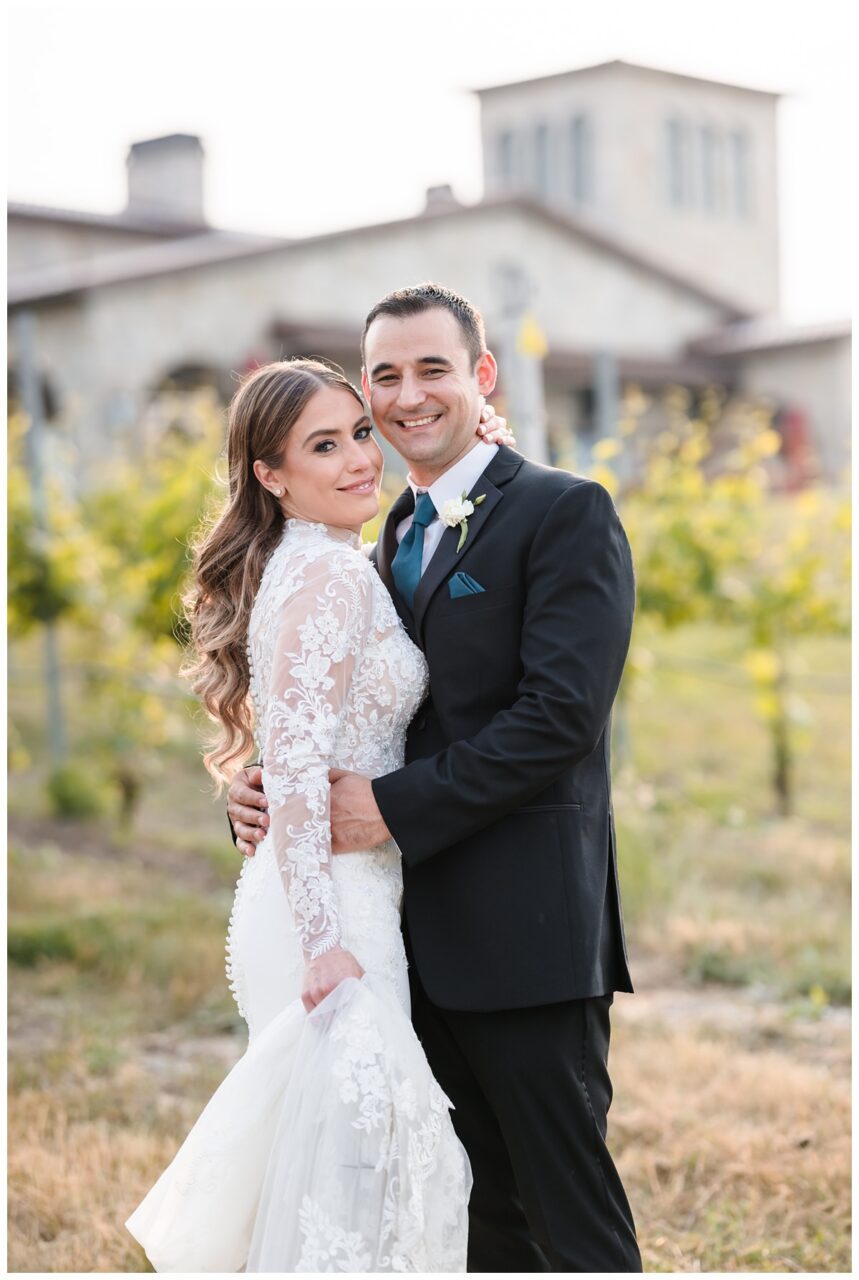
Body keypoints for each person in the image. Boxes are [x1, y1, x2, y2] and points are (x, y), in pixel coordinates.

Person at [229, 283, 642, 1272]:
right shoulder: (377, 539)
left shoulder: (563, 511)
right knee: (472, 1220)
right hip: (404, 942)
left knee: (568, 1214)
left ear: (481, 376)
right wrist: (261, 786)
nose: (407, 395)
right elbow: (356, 712)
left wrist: (385, 808)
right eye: (385, 374)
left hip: (526, 933)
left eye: (432, 369)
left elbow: (559, 718)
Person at [125, 357, 512, 1272]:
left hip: (352, 893)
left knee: (338, 1176)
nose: (356, 461)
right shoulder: (328, 577)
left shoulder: (322, 562)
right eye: (322, 446)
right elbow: (294, 768)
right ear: (270, 473)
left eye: (359, 435)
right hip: (330, 910)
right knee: (371, 1169)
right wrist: (323, 940)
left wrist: (487, 449)